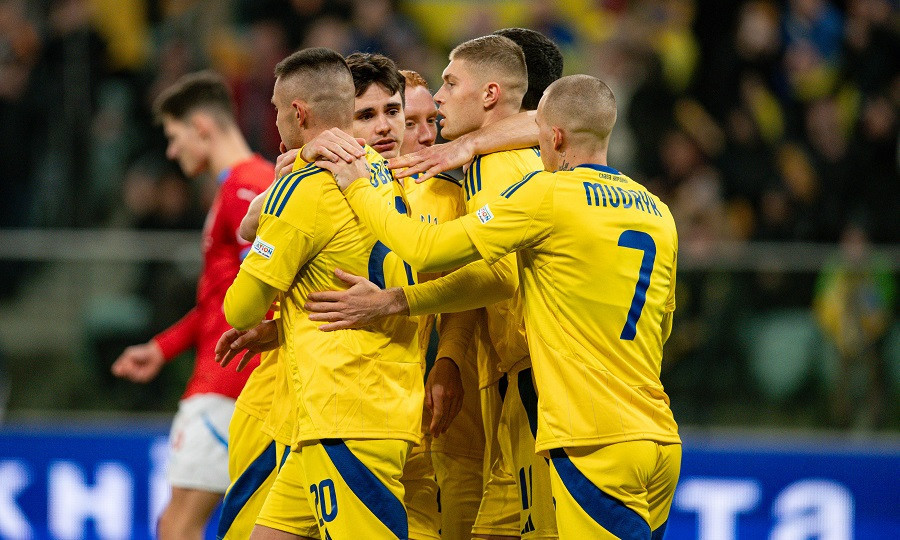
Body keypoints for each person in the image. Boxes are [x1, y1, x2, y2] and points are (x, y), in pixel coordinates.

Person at [320, 74, 682, 539]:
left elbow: (426, 249)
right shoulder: (658, 211)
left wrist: (358, 189)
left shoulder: (547, 195)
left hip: (593, 438)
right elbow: (663, 324)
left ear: (554, 137)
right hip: (660, 436)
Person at [222, 47, 423, 540]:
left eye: (276, 109)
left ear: (298, 112)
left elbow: (240, 308)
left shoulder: (306, 188)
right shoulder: (377, 172)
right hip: (346, 407)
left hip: (347, 408)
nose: (273, 120)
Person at [110, 71, 274, 539]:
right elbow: (221, 300)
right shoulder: (238, 186)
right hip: (232, 380)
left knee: (177, 524)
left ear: (201, 127)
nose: (171, 150)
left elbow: (270, 291)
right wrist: (162, 348)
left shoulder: (248, 188)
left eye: (173, 135)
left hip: (229, 385)